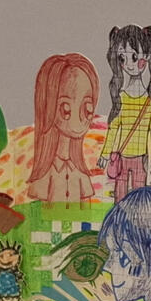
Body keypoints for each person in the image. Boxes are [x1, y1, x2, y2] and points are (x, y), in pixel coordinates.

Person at [98, 25, 151, 201]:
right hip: (121, 157)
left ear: (147, 56)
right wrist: (105, 154)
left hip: (140, 159)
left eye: (134, 57)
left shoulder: (150, 103)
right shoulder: (121, 98)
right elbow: (113, 129)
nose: (128, 64)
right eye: (123, 58)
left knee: (138, 197)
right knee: (119, 197)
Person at [28, 53, 100, 205]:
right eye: (66, 108)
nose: (79, 119)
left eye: (87, 108)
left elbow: (87, 210)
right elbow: (38, 209)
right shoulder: (46, 174)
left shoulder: (80, 173)